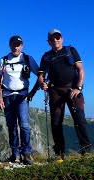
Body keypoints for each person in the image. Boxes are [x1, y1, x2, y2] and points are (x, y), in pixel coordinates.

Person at [38, 29, 91, 162]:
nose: (55, 40)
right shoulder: (46, 56)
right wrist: (42, 84)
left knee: (80, 120)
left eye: (58, 37)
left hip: (72, 90)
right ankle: (59, 155)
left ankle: (87, 152)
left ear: (62, 38)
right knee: (56, 123)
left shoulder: (71, 50)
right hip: (54, 91)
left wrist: (78, 88)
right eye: (52, 38)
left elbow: (81, 70)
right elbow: (41, 75)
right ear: (48, 42)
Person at [0, 36, 39, 165]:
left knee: (24, 125)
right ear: (10, 45)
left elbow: (40, 74)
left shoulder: (27, 59)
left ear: (22, 46)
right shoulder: (3, 60)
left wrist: (33, 92)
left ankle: (26, 153)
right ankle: (15, 154)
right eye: (14, 44)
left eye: (18, 45)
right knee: (11, 126)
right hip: (7, 96)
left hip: (22, 96)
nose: (16, 47)